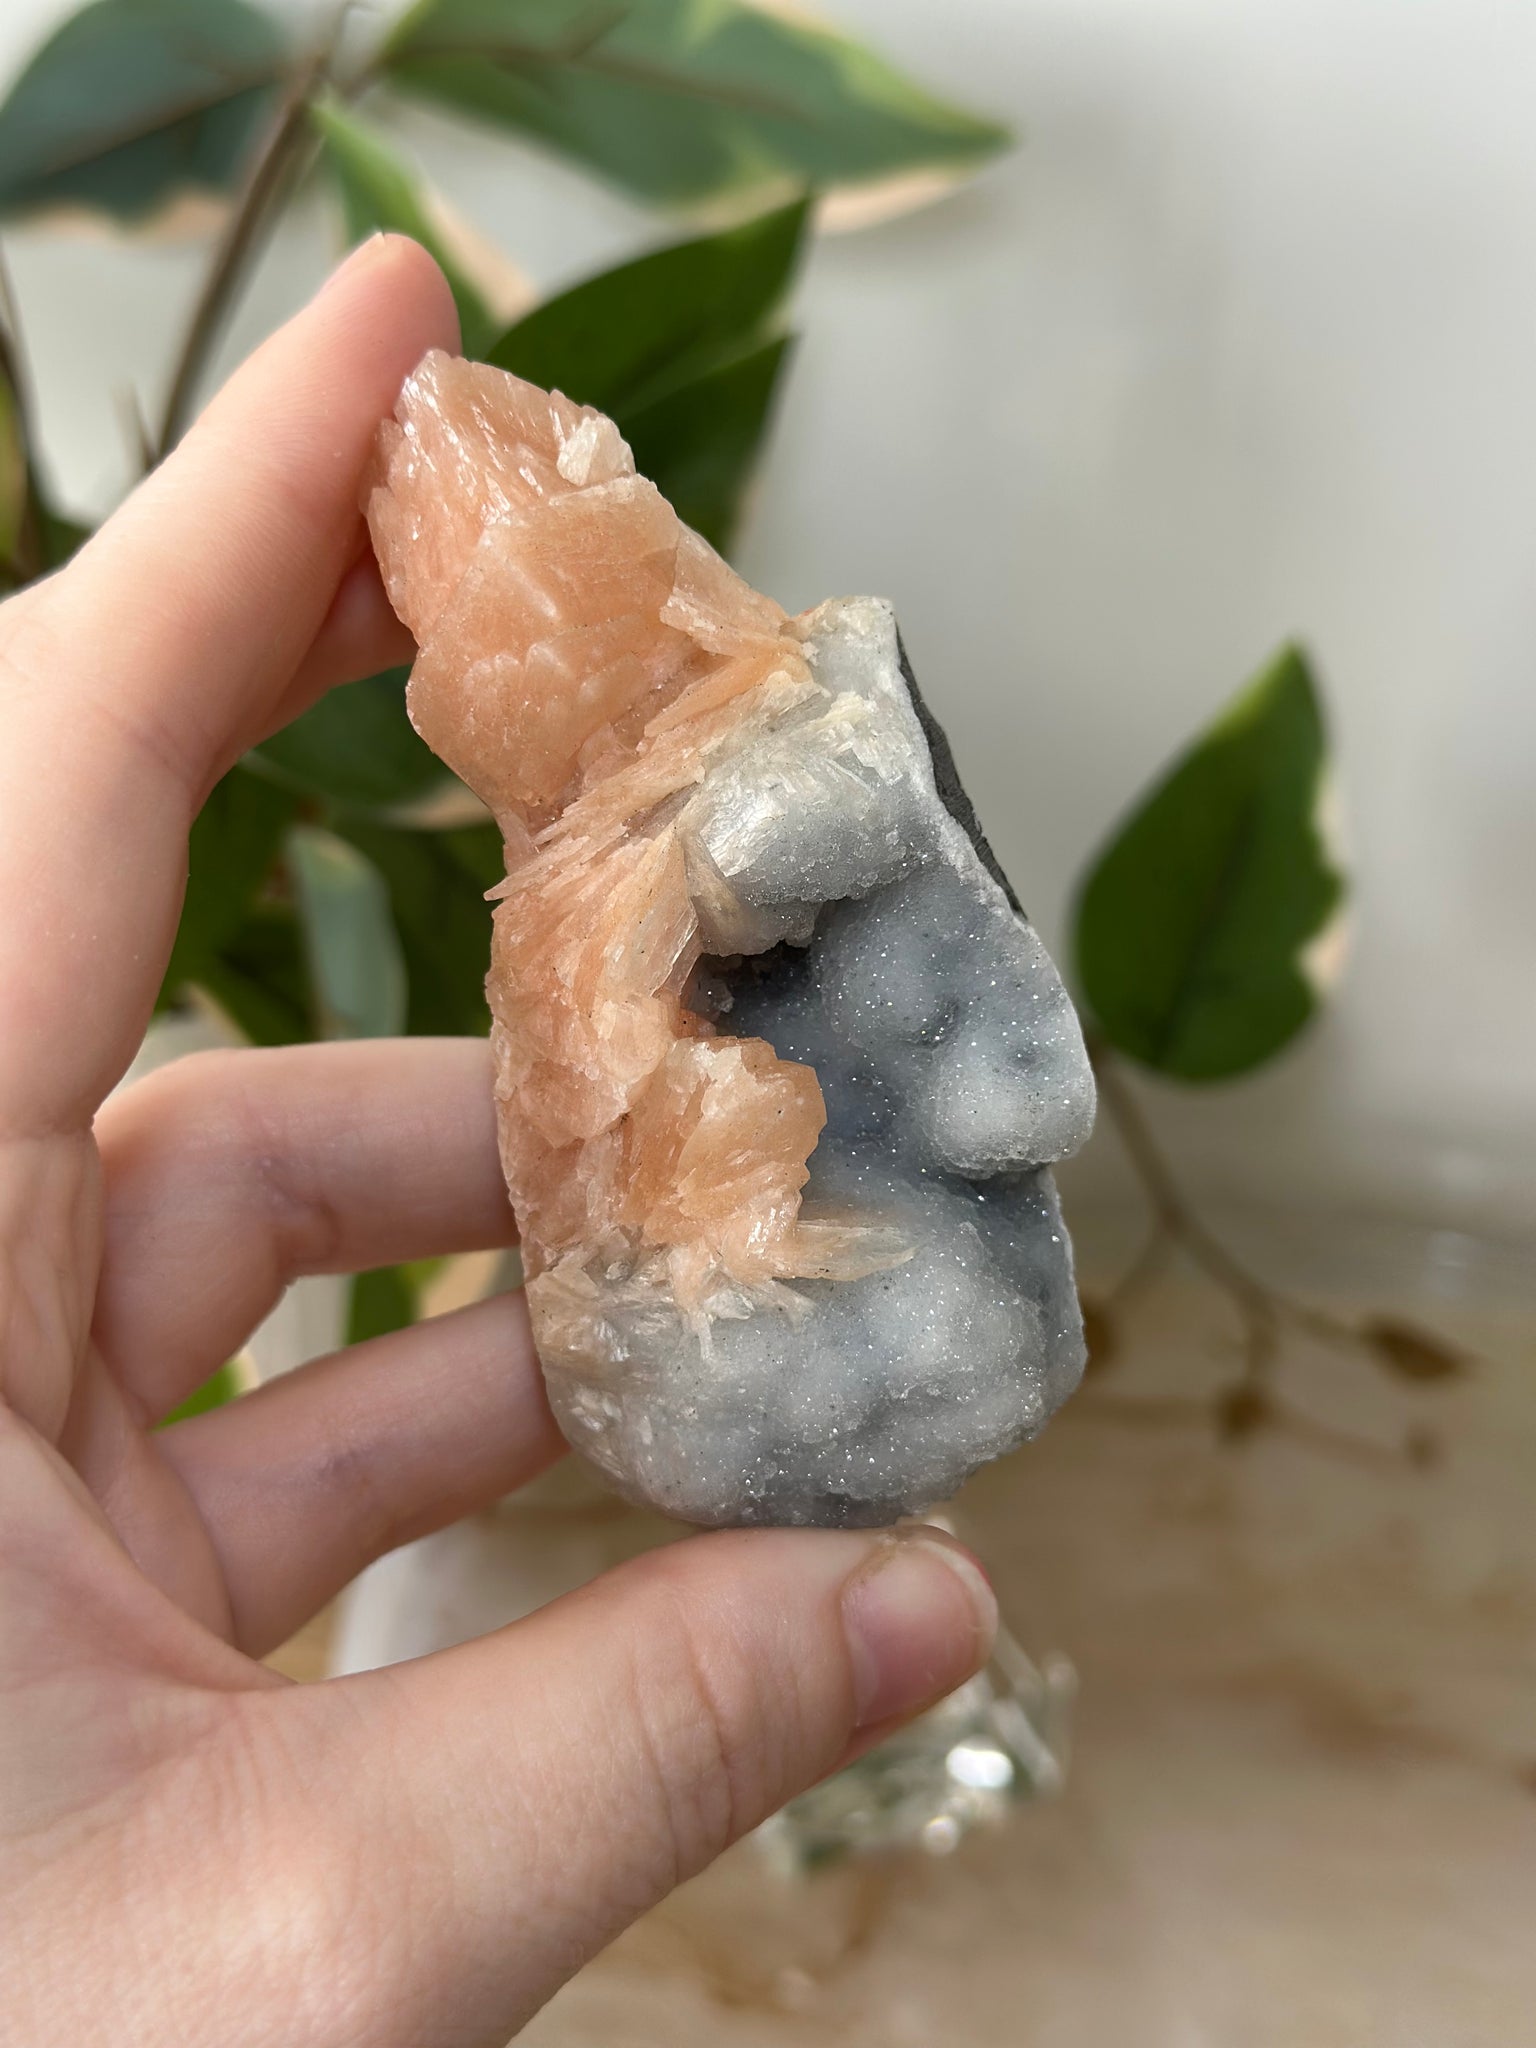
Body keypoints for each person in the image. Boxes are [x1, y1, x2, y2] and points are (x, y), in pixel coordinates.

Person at [0, 237, 996, 2045]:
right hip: (735, 1297)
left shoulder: (787, 754)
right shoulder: (591, 902)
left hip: (842, 1288)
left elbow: (993, 1051)